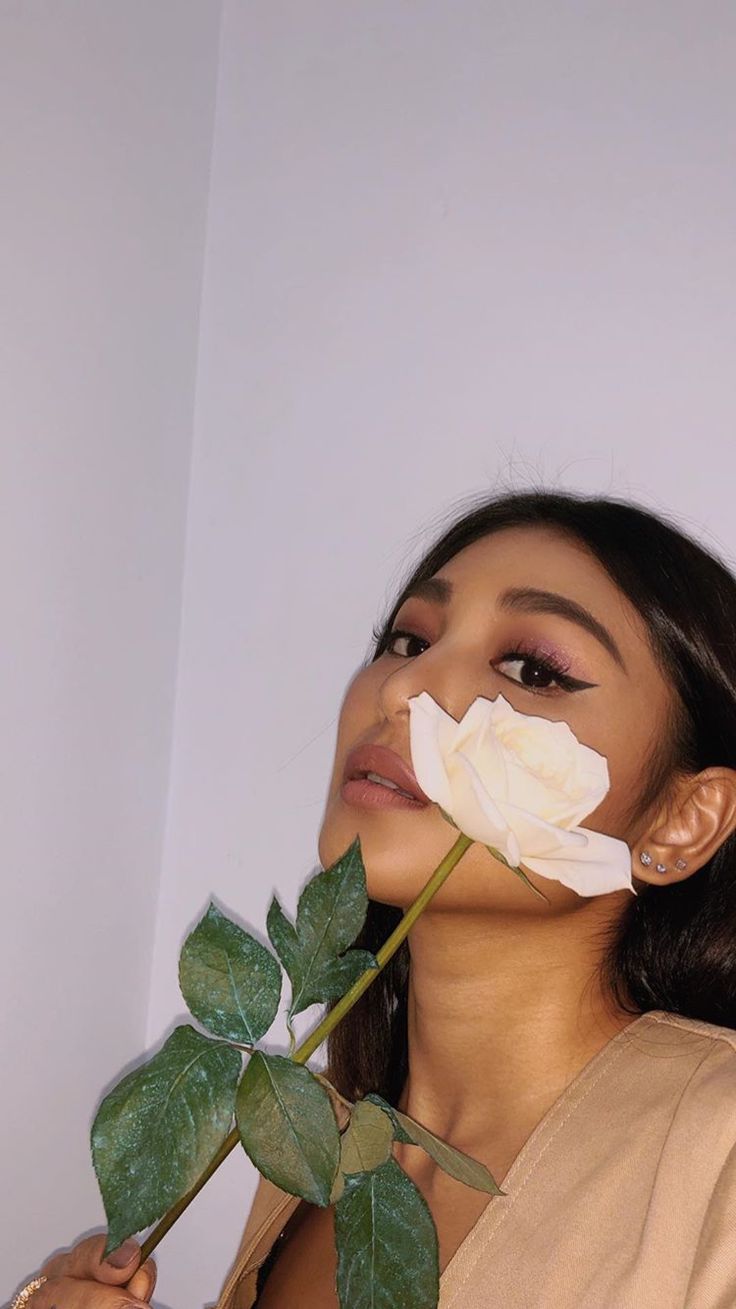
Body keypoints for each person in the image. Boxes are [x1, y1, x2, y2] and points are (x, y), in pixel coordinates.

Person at [13, 488, 736, 1309]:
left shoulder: (718, 1163)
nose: (404, 689)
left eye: (532, 668)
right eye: (406, 639)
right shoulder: (306, 1155)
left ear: (684, 821)